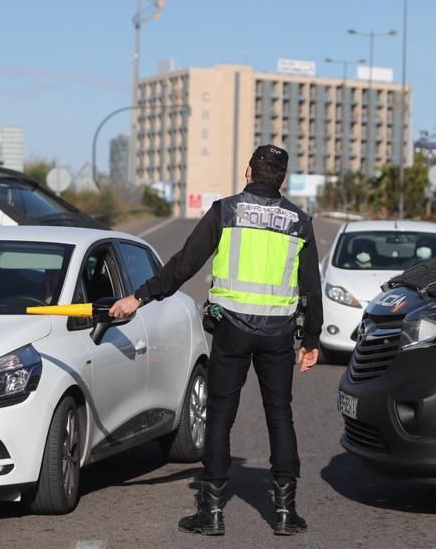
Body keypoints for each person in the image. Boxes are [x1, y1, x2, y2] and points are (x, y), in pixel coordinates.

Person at [109, 144, 322, 537]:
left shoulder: (225, 211)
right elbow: (311, 285)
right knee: (280, 415)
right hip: (277, 334)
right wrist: (311, 339)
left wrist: (137, 298)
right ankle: (285, 513)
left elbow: (183, 264)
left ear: (248, 171)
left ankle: (211, 513)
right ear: (283, 179)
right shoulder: (299, 221)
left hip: (232, 332)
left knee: (220, 416)